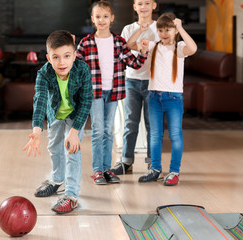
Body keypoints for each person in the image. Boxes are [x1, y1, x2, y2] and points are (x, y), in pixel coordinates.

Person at [76, 0, 147, 185]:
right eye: (98, 17)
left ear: (112, 19)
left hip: (113, 92)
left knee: (108, 131)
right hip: (94, 93)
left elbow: (135, 64)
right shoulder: (85, 43)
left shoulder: (119, 42)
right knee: (98, 130)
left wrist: (143, 52)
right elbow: (75, 68)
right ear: (93, 19)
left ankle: (107, 169)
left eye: (105, 16)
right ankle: (97, 171)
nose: (102, 20)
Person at [22, 30, 93, 213]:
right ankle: (57, 179)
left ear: (74, 55)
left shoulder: (83, 69)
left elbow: (86, 102)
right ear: (48, 57)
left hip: (75, 115)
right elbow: (40, 101)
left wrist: (75, 131)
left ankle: (71, 195)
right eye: (56, 57)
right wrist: (37, 130)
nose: (62, 62)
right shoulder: (44, 73)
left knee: (72, 151)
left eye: (67, 56)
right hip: (55, 114)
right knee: (53, 147)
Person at [131, 12, 197, 185]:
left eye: (168, 29)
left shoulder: (180, 47)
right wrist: (141, 30)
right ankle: (155, 168)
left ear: (174, 30)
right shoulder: (153, 45)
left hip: (173, 98)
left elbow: (194, 48)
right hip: (154, 97)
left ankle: (174, 171)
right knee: (155, 135)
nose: (164, 33)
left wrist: (181, 28)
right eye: (161, 30)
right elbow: (130, 44)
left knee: (175, 135)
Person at [111, 0, 159, 176]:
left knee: (151, 124)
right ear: (135, 7)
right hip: (131, 80)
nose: (143, 6)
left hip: (153, 82)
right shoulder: (129, 29)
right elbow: (125, 50)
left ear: (154, 5)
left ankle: (152, 163)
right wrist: (139, 39)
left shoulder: (159, 28)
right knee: (130, 123)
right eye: (140, 3)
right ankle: (126, 161)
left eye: (147, 3)